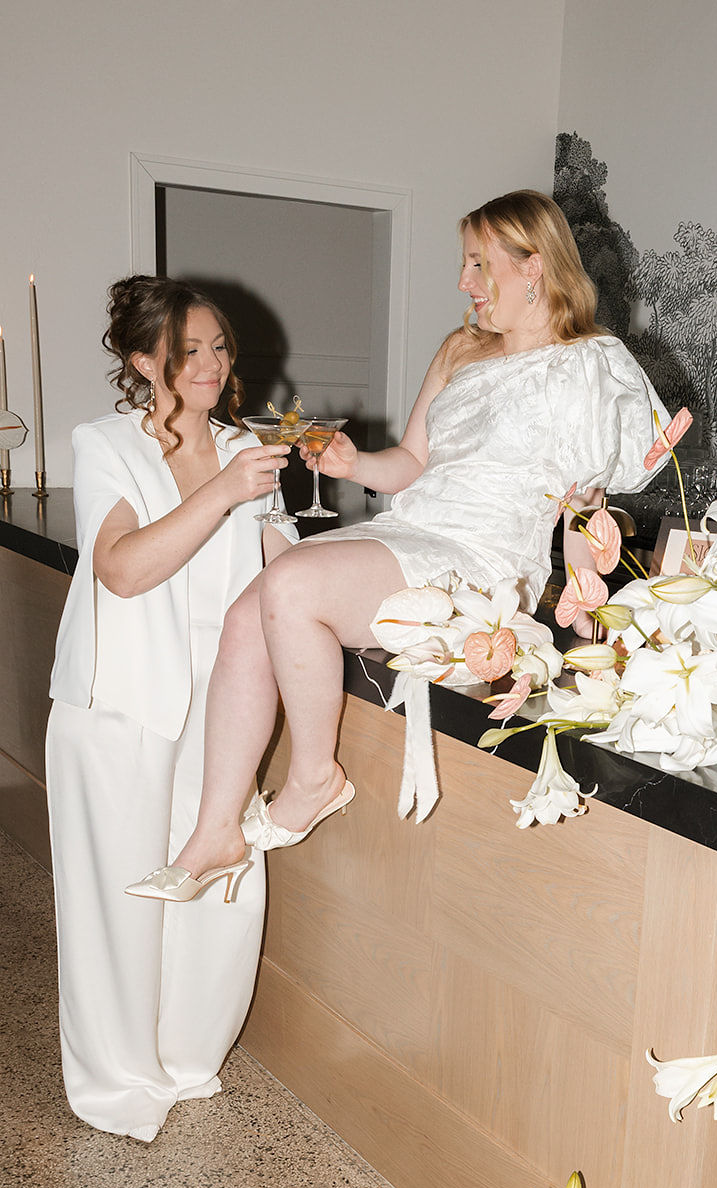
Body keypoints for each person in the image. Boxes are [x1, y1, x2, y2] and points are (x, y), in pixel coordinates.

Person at [152, 189, 672, 884]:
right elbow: (411, 463)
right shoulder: (461, 348)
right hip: (413, 529)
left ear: (533, 267)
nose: (463, 283)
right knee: (249, 611)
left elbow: (584, 514)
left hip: (484, 562)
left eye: (478, 264)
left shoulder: (590, 366)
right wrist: (352, 463)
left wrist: (589, 634)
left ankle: (313, 778)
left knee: (292, 582)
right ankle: (213, 833)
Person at [47, 276, 295, 1142]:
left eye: (221, 346)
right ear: (142, 358)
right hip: (119, 700)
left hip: (222, 706)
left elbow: (281, 574)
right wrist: (223, 491)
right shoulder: (107, 443)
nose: (213, 363)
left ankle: (189, 1056)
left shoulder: (246, 446)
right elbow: (120, 568)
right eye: (191, 349)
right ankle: (118, 1077)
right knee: (118, 898)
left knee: (220, 882)